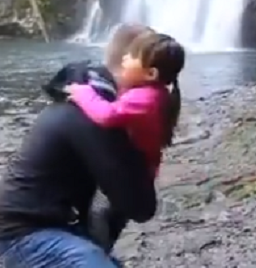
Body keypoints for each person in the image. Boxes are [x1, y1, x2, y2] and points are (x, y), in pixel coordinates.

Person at [0, 52, 158, 268]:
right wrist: (144, 152)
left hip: (41, 228)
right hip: (27, 236)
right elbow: (140, 206)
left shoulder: (67, 112)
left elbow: (123, 202)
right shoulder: (86, 122)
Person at [66, 31, 185, 179]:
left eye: (133, 56)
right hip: (140, 162)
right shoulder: (153, 92)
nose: (125, 57)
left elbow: (107, 115)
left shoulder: (146, 99)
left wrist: (83, 93)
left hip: (136, 168)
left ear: (150, 74)